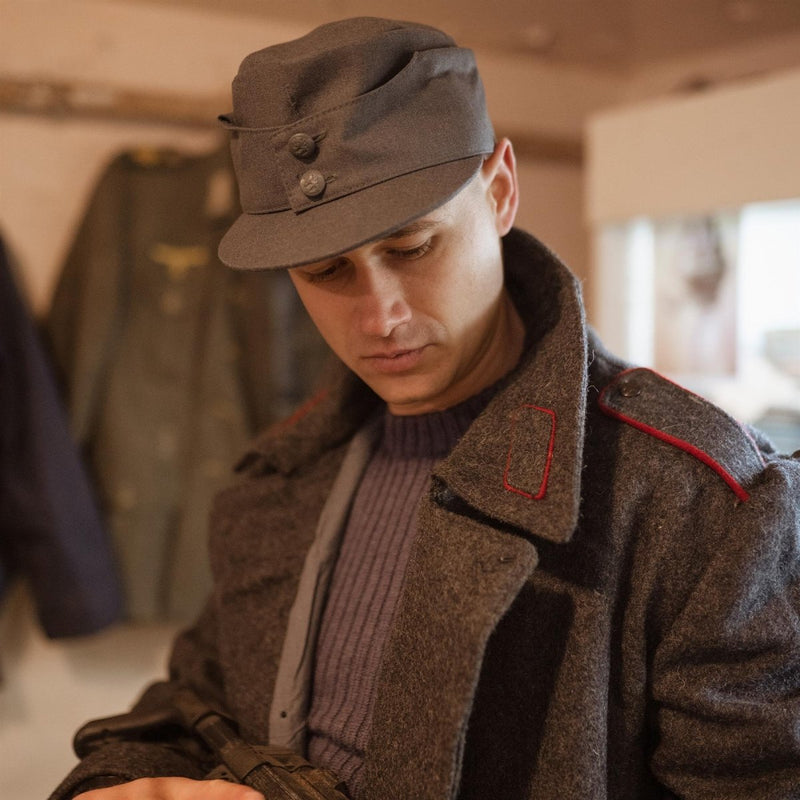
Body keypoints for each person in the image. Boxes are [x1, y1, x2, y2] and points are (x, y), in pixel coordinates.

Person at [51, 16, 800, 800]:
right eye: (325, 272)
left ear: (502, 190)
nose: (381, 317)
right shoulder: (278, 477)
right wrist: (128, 784)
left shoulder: (700, 506)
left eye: (413, 249)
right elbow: (199, 700)